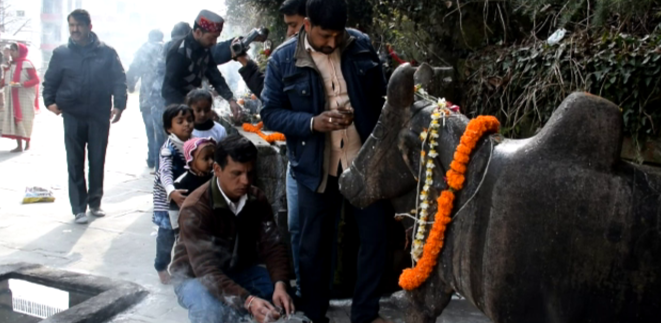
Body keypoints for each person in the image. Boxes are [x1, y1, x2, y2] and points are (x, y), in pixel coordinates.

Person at [260, 0, 391, 322]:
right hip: (315, 167)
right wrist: (312, 122)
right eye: (324, 35)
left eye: (337, 34)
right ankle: (315, 314)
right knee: (314, 246)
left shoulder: (360, 45)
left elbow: (383, 95)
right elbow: (270, 113)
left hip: (365, 162)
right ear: (307, 25)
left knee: (376, 237)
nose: (332, 43)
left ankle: (365, 312)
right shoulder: (282, 59)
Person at [171, 135, 293, 323]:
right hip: (194, 276)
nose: (245, 181)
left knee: (281, 298)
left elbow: (273, 245)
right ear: (217, 170)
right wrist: (248, 300)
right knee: (210, 312)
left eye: (250, 173)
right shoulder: (195, 208)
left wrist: (280, 284)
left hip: (237, 270)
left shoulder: (256, 198)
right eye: (236, 174)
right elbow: (206, 270)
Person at [42, 9, 127, 224]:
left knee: (97, 159)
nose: (74, 29)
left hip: (99, 114)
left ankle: (95, 202)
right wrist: (49, 102)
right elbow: (50, 81)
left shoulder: (107, 52)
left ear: (89, 27)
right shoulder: (61, 54)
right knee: (74, 160)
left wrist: (119, 104)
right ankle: (78, 207)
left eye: (79, 25)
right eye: (71, 25)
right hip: (72, 113)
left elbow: (119, 79)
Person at [162, 10, 242, 121]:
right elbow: (168, 90)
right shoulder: (179, 51)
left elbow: (215, 76)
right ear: (198, 32)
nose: (214, 42)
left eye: (216, 37)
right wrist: (193, 109)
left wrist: (231, 99)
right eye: (212, 37)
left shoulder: (204, 48)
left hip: (193, 109)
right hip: (178, 114)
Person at [153, 104, 194, 284]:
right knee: (167, 234)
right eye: (180, 121)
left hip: (185, 197)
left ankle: (183, 267)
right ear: (169, 128)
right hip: (167, 200)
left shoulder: (194, 143)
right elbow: (165, 174)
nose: (186, 124)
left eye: (189, 120)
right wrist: (172, 192)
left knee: (186, 233)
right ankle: (161, 266)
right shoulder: (168, 150)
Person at [127, 29, 165, 171]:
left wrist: (130, 85)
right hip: (163, 96)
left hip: (147, 96)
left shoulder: (143, 49)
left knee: (150, 128)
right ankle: (161, 160)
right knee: (162, 130)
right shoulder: (166, 48)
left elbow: (133, 69)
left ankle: (152, 158)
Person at [168, 137, 216, 234]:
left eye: (213, 157)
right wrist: (178, 232)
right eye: (206, 158)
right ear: (191, 161)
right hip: (190, 231)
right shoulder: (181, 183)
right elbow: (174, 211)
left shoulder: (216, 178)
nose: (211, 162)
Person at [0, 43, 40, 153]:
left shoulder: (27, 64)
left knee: (25, 118)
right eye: (11, 50)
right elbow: (6, 80)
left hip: (25, 97)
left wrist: (23, 84)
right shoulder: (9, 65)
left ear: (20, 52)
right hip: (12, 96)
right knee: (14, 118)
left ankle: (27, 142)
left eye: (13, 50)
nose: (11, 53)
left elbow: (36, 80)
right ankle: (19, 145)